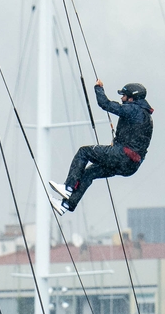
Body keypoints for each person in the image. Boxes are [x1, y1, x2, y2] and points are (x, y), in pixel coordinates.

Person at [52, 82, 153, 215]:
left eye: (124, 96)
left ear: (131, 98)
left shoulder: (134, 109)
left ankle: (68, 187)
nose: (122, 99)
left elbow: (105, 104)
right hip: (131, 166)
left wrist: (98, 88)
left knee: (84, 152)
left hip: (122, 156)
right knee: (89, 173)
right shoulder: (146, 116)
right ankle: (65, 205)